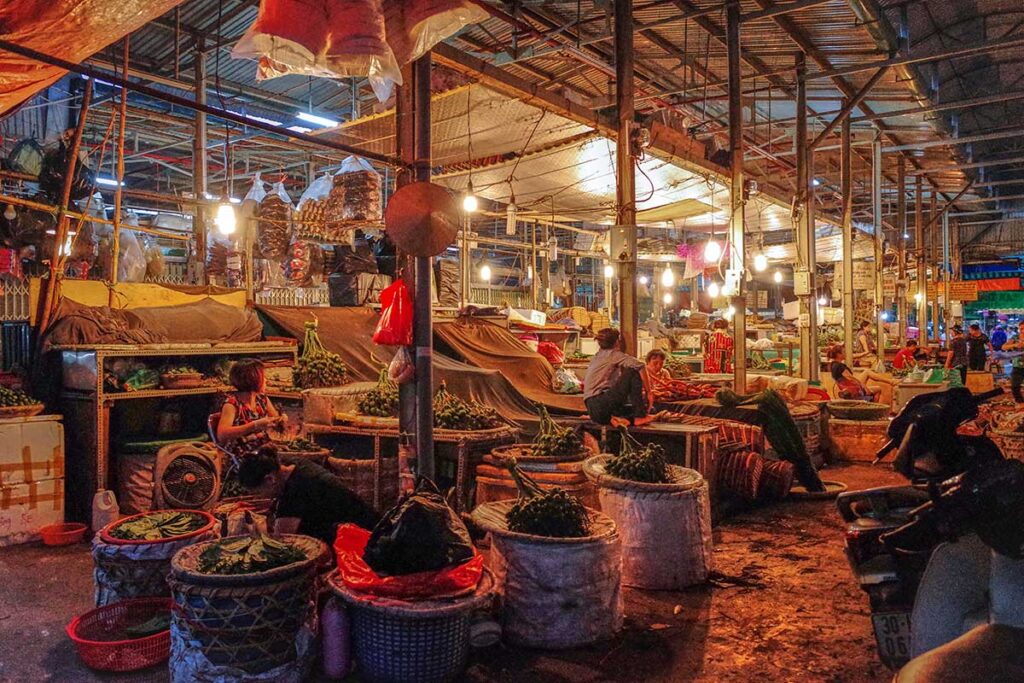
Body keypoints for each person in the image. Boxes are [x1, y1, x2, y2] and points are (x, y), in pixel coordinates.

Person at [238, 447, 379, 543]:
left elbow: (280, 543)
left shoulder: (295, 492)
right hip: (370, 525)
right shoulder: (295, 466)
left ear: (270, 479)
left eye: (258, 492)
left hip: (365, 539)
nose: (261, 497)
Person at [583, 327, 656, 427]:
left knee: (647, 409)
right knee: (633, 371)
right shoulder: (613, 355)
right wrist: (649, 392)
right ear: (617, 341)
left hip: (595, 409)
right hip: (600, 404)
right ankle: (639, 416)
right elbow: (641, 365)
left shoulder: (598, 355)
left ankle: (626, 419)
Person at [216, 358, 286, 457]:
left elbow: (275, 421)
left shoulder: (262, 399)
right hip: (243, 455)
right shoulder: (232, 404)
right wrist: (254, 425)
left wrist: (281, 419)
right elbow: (222, 434)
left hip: (264, 450)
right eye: (263, 377)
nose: (266, 380)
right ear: (253, 379)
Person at [1008, 321, 1024, 402]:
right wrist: (1015, 345)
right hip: (1017, 365)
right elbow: (1004, 347)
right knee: (1015, 386)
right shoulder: (1015, 337)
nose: (1022, 330)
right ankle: (1020, 402)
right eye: (1021, 328)